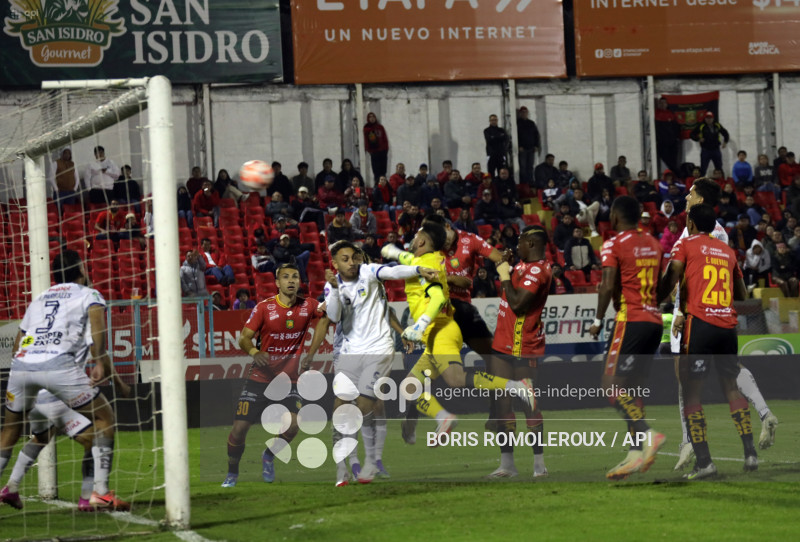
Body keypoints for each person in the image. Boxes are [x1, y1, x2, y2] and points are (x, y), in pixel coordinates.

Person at [380, 223, 536, 443]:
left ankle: (516, 387)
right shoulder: (424, 260)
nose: (413, 240)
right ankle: (443, 418)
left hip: (440, 330)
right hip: (437, 332)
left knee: (455, 379)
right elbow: (406, 260)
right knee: (409, 387)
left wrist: (420, 325)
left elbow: (438, 297)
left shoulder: (428, 264)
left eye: (416, 237)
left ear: (423, 242)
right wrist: (392, 252)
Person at [0, 251, 129, 510]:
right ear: (81, 269)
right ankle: (98, 493)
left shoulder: (38, 299)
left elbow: (17, 345)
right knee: (103, 419)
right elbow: (98, 338)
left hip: (22, 367)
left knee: (11, 432)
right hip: (58, 370)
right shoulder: (89, 295)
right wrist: (100, 363)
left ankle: (11, 488)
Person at [669, 179, 778, 469]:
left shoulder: (707, 233)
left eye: (691, 193)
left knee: (689, 380)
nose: (687, 196)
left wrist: (680, 309)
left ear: (700, 198)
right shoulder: (709, 230)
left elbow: (699, 273)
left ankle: (692, 445)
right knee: (727, 372)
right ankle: (760, 421)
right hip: (718, 315)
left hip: (699, 314)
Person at [323, 241, 437, 485]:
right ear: (334, 264)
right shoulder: (332, 286)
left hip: (378, 349)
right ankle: (343, 466)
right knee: (341, 407)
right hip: (350, 352)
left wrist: (417, 270)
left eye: (354, 257)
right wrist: (333, 289)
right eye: (345, 259)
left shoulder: (367, 272)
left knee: (366, 405)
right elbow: (332, 316)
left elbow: (393, 271)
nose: (352, 262)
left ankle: (372, 462)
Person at [657, 204, 754, 480]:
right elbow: (742, 294)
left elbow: (671, 276)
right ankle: (750, 453)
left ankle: (705, 463)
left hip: (700, 324)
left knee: (691, 394)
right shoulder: (728, 251)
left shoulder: (685, 245)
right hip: (728, 328)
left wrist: (655, 299)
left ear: (690, 221)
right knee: (732, 389)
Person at [221, 264, 323, 487]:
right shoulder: (264, 308)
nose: (291, 280)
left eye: (295, 276)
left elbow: (328, 316)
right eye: (285, 277)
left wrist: (312, 352)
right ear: (277, 283)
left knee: (294, 424)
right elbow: (244, 338)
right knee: (239, 430)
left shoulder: (309, 306)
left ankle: (269, 456)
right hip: (260, 378)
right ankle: (232, 473)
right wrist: (255, 352)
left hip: (290, 379)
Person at [589, 196, 665, 480]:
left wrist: (597, 320)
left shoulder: (614, 243)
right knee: (632, 390)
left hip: (629, 320)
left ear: (617, 218)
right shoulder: (654, 243)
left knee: (611, 387)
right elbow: (664, 282)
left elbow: (608, 285)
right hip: (653, 321)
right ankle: (635, 454)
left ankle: (647, 435)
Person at [489, 226, 552, 478]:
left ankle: (539, 465)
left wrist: (504, 274)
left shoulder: (539, 271)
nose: (517, 246)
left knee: (528, 401)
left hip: (523, 344)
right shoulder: (525, 266)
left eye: (521, 242)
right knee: (502, 402)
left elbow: (516, 303)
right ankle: (507, 465)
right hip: (502, 342)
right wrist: (510, 268)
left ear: (532, 243)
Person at [655, 97, 681, 175]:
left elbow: (676, 127)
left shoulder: (671, 113)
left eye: (664, 103)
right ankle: (678, 174)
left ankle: (675, 175)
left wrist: (676, 137)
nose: (663, 105)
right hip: (662, 142)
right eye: (661, 103)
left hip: (672, 142)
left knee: (674, 161)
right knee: (667, 160)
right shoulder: (656, 113)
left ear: (667, 104)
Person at [516, 106, 540, 186]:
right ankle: (524, 182)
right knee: (523, 167)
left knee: (530, 166)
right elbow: (516, 136)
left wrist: (536, 145)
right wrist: (519, 146)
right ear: (520, 113)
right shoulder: (517, 123)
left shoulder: (531, 123)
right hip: (523, 149)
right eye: (522, 112)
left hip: (531, 148)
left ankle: (530, 182)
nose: (524, 114)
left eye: (525, 112)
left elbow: (536, 135)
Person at [364, 112, 389, 181]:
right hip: (374, 152)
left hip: (383, 152)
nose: (372, 118)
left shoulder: (380, 127)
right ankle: (377, 186)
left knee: (383, 171)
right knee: (376, 171)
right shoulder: (366, 128)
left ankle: (384, 186)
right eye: (370, 117)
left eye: (373, 117)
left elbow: (384, 138)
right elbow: (366, 140)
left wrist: (385, 149)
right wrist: (369, 150)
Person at [484, 114, 510, 178]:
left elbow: (506, 139)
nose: (494, 121)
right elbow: (489, 140)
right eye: (492, 120)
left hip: (501, 154)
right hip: (491, 154)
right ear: (489, 121)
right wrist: (499, 137)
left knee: (501, 171)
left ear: (497, 120)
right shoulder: (487, 130)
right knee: (491, 172)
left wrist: (494, 137)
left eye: (495, 120)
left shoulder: (501, 130)